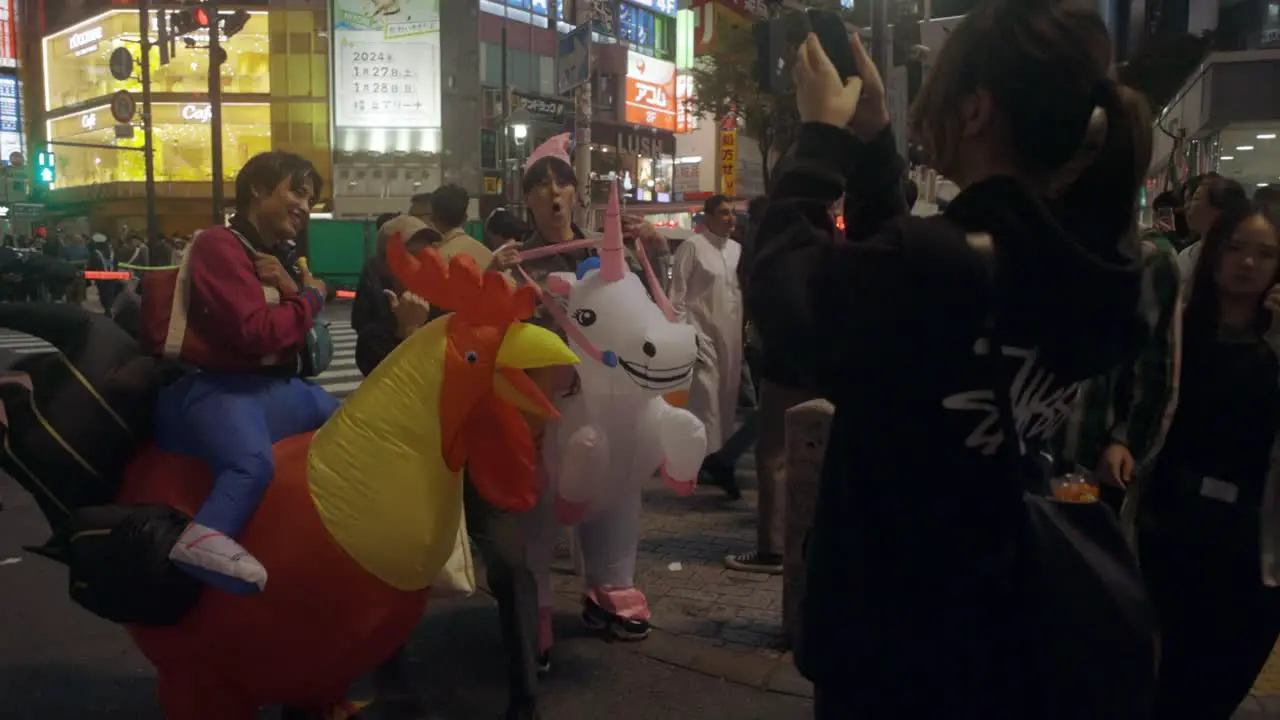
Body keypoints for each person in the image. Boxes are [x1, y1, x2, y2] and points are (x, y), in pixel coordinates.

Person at [748, 4, 1153, 716]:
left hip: (899, 639)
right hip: (1005, 625)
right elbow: (906, 312)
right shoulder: (1092, 266)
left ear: (974, 111)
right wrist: (875, 151)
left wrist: (818, 144)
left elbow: (789, 304)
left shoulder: (940, 263)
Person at [149, 151, 335, 595]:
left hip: (269, 389)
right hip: (218, 390)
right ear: (258, 189)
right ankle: (202, 541)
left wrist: (296, 292)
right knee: (250, 464)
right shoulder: (220, 245)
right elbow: (256, 332)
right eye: (296, 191)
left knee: (344, 420)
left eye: (309, 198)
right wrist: (309, 298)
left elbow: (307, 342)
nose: (304, 207)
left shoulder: (274, 258)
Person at [1137, 203, 1280, 719]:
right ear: (1213, 250)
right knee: (1159, 671)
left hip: (1251, 536)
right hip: (1170, 520)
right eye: (1237, 247)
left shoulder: (1274, 342)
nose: (1247, 263)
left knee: (1223, 673)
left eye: (1265, 254)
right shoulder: (1174, 329)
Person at [671, 195, 744, 498]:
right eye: (724, 213)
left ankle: (713, 460)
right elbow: (677, 294)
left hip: (732, 335)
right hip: (700, 333)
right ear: (708, 217)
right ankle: (716, 464)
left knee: (726, 399)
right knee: (707, 400)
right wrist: (684, 332)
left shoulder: (738, 250)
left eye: (732, 214)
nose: (730, 219)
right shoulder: (693, 246)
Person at [1178, 173, 1249, 280]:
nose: (1187, 206)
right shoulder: (1186, 255)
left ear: (1219, 210)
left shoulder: (1237, 257)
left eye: (1196, 199)